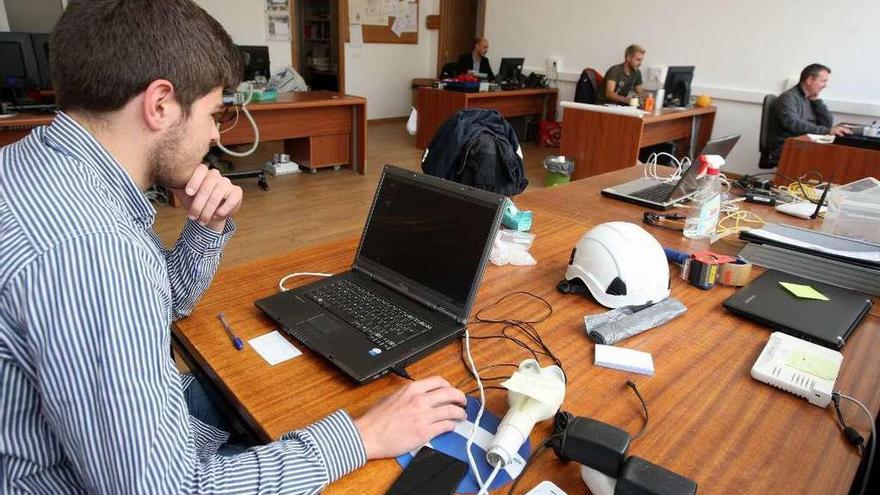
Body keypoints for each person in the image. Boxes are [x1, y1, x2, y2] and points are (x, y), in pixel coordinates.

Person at [0, 1, 466, 493]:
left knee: (299, 383)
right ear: (160, 104)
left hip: (99, 439)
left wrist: (207, 226)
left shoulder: (37, 167)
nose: (215, 135)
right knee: (380, 454)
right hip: (77, 478)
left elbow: (166, 303)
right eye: (214, 114)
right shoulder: (94, 251)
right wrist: (360, 437)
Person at [765, 63, 852, 165]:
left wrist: (816, 102)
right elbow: (793, 123)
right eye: (823, 81)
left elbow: (827, 123)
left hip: (802, 143)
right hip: (785, 146)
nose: (825, 85)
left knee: (837, 152)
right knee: (829, 156)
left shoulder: (809, 99)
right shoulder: (788, 98)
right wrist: (827, 130)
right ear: (810, 80)